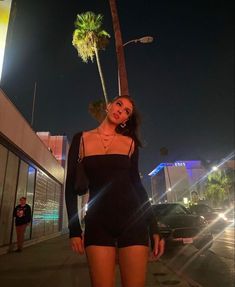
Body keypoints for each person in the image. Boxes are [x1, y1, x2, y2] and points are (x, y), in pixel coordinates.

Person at [65, 95, 165, 287]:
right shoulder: (82, 139)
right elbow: (70, 187)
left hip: (133, 222)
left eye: (127, 111)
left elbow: (137, 185)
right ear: (110, 105)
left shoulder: (130, 144)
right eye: (119, 104)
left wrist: (153, 226)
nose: (121, 110)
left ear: (126, 119)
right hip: (98, 223)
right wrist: (74, 229)